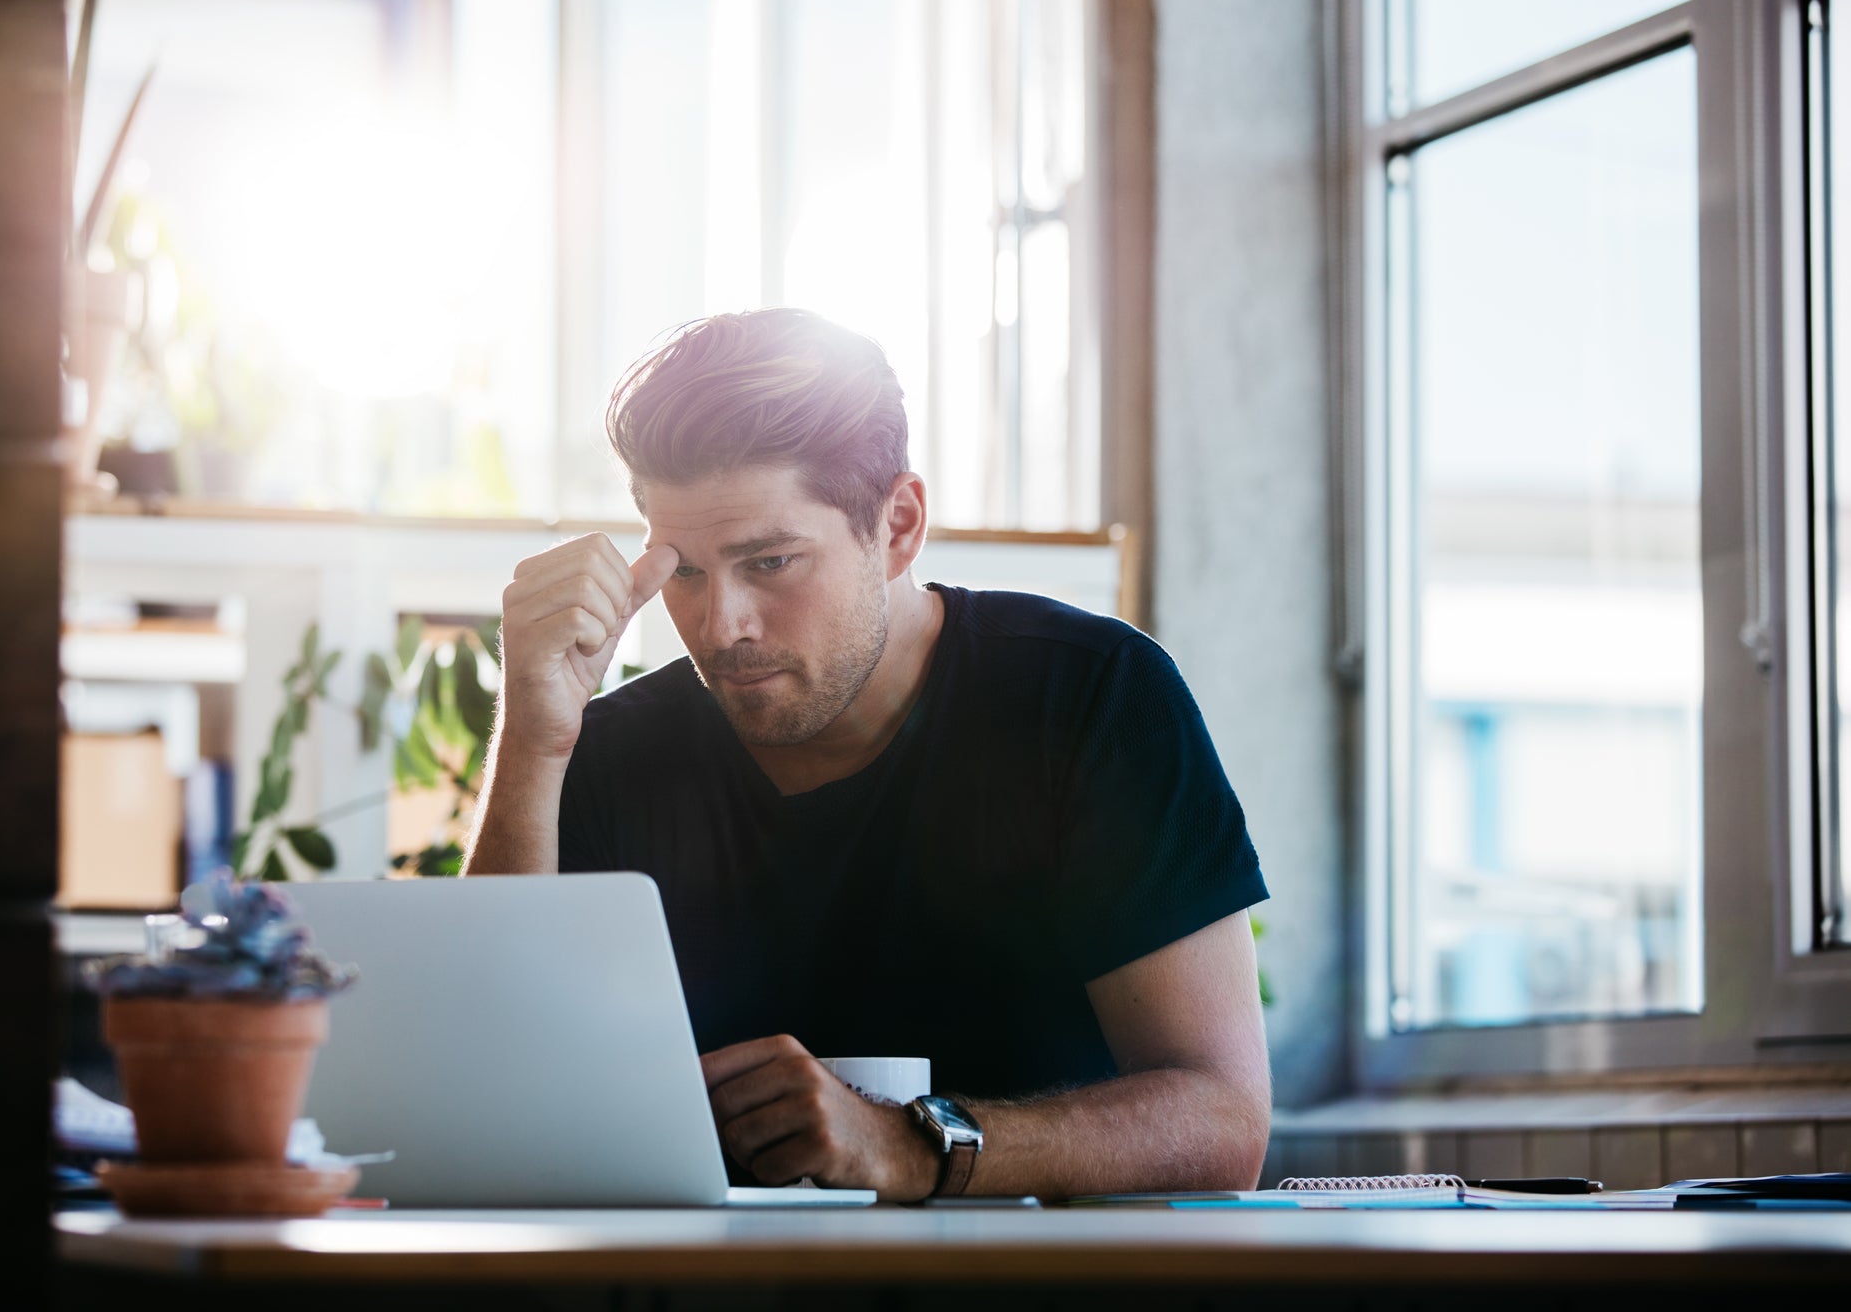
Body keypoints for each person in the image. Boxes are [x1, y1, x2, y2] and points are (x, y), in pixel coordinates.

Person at [465, 308, 1270, 1201]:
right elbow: (483, 1093)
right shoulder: (607, 751)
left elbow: (1223, 1116)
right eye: (684, 572)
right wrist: (534, 745)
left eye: (769, 562)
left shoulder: (1089, 697)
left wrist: (908, 1145)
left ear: (897, 525)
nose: (721, 627)